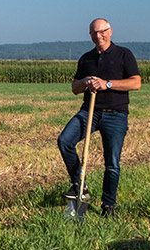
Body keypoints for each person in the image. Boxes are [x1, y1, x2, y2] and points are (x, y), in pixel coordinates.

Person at [57, 18, 141, 217]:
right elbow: (74, 88)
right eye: (94, 33)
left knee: (111, 163)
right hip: (89, 112)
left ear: (110, 31)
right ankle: (80, 183)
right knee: (64, 141)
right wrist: (85, 81)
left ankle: (108, 205)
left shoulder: (124, 54)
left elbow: (135, 83)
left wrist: (107, 84)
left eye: (102, 31)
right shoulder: (86, 58)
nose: (98, 36)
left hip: (115, 114)